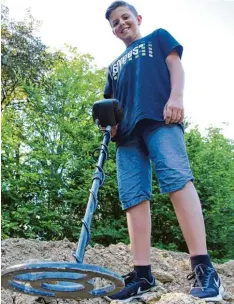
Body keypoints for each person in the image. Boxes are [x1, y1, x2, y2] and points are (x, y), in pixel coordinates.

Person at [102, 1, 224, 303]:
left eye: (125, 17)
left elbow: (175, 66)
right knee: (133, 199)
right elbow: (111, 106)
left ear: (137, 18)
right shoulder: (113, 66)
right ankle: (142, 276)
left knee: (177, 182)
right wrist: (110, 126)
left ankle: (205, 270)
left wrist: (177, 97)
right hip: (127, 135)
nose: (121, 24)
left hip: (161, 118)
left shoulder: (157, 37)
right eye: (114, 23)